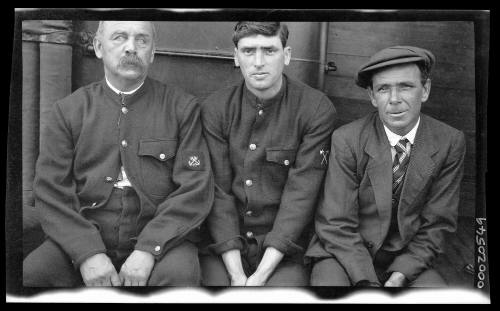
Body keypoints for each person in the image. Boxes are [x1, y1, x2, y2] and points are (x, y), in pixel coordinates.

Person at [23, 21, 213, 287]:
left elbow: (194, 190)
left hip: (162, 240)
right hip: (85, 233)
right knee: (33, 273)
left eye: (142, 40)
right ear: (99, 48)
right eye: (119, 38)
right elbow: (51, 192)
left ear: (153, 53)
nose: (131, 48)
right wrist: (87, 252)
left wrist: (150, 248)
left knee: (181, 277)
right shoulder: (68, 111)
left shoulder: (182, 109)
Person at [306, 46, 466, 287]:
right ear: (372, 96)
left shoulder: (449, 142)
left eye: (405, 86)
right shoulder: (347, 139)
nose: (394, 99)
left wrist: (400, 274)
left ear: (425, 90)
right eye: (383, 89)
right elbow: (336, 223)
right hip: (343, 253)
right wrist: (368, 283)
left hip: (407, 257)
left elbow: (438, 224)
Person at [199, 22, 336, 286]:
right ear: (236, 57)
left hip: (285, 250)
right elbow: (219, 193)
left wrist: (260, 276)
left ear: (286, 55)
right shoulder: (216, 108)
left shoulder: (315, 109)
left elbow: (300, 197)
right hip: (224, 245)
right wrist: (237, 275)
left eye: (269, 51)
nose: (258, 62)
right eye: (249, 51)